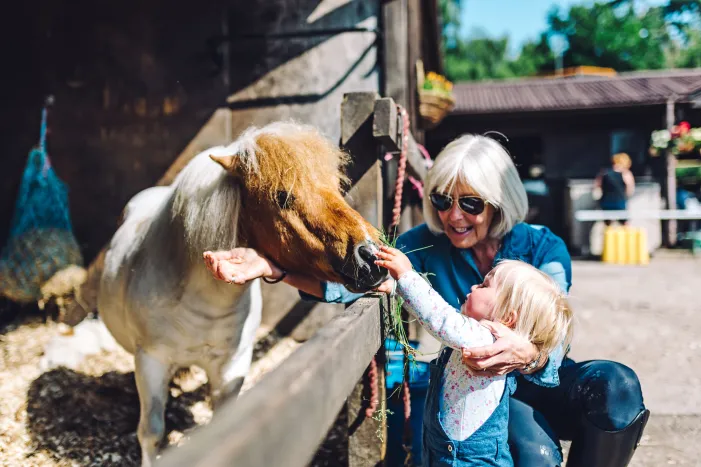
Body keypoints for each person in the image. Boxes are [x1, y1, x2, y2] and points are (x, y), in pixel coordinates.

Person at [204, 134, 649, 467]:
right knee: (534, 453)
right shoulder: (423, 244)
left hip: (539, 379)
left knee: (617, 387)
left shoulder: (541, 246)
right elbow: (353, 283)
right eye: (442, 200)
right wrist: (275, 269)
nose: (453, 216)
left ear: (499, 203)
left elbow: (555, 327)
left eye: (471, 203)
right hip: (481, 393)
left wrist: (530, 352)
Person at [374, 245, 574, 466]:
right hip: (446, 450)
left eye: (484, 285)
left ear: (507, 317)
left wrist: (406, 276)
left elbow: (439, 317)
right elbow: (433, 316)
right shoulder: (474, 334)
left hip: (470, 460)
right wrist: (397, 288)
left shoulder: (485, 339)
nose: (473, 286)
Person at [594, 153, 635, 225]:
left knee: (608, 226)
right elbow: (630, 190)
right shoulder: (626, 174)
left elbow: (597, 186)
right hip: (620, 203)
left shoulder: (604, 173)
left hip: (605, 203)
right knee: (625, 225)